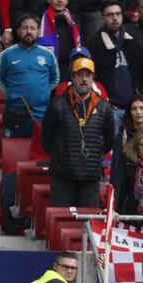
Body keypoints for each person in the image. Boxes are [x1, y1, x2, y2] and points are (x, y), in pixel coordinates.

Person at [42, 57, 115, 207]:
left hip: (90, 177)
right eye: (80, 74)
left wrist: (94, 157)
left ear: (93, 78)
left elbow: (108, 141)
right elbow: (46, 139)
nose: (84, 79)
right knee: (61, 222)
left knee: (88, 225)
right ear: (73, 77)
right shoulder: (57, 105)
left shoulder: (104, 107)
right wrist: (61, 155)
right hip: (62, 176)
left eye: (87, 75)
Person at [0, 13, 59, 138]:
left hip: (42, 114)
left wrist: (41, 92)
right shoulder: (6, 54)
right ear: (18, 31)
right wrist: (13, 92)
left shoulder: (48, 55)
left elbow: (55, 80)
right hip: (14, 114)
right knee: (13, 153)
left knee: (42, 154)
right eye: (25, 28)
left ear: (39, 31)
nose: (29, 31)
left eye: (33, 28)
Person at [88, 1, 143, 134]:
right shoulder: (94, 44)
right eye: (110, 15)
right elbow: (91, 79)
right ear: (103, 18)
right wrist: (103, 102)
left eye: (118, 14)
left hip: (135, 108)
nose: (115, 18)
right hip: (110, 108)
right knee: (113, 152)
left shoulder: (134, 40)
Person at [38, 0, 81, 82]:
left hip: (68, 70)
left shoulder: (73, 20)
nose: (60, 1)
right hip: (46, 71)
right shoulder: (40, 20)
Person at [111, 93, 143, 188]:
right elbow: (116, 173)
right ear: (129, 112)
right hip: (128, 191)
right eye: (134, 109)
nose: (138, 112)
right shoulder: (122, 137)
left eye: (141, 108)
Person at [112, 129, 143, 217]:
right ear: (136, 146)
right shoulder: (128, 164)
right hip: (130, 213)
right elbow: (118, 187)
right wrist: (114, 209)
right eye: (142, 145)